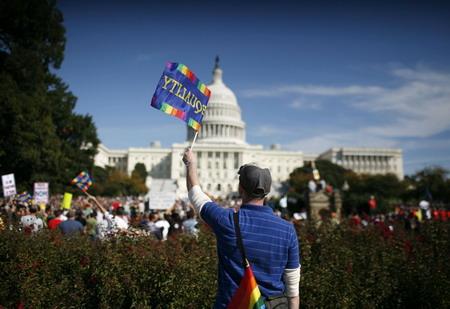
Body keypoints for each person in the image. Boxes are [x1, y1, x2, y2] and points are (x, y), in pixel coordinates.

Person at [183, 149, 300, 308]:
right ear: (268, 191)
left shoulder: (227, 221)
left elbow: (196, 195)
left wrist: (190, 164)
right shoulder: (288, 230)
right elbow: (293, 290)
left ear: (240, 188)